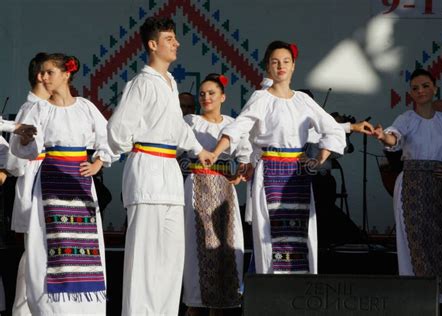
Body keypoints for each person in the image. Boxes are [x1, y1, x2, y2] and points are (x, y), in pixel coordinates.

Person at [210, 40, 346, 274]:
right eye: (275, 62)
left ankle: (297, 292)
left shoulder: (303, 101)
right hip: (271, 171)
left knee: (300, 235)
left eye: (286, 61)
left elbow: (332, 129)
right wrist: (215, 152)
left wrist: (319, 159)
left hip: (298, 174)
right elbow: (240, 126)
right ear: (268, 67)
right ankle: (270, 293)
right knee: (270, 236)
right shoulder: (262, 98)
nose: (281, 66)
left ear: (293, 66)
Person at [107, 17, 213, 315]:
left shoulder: (170, 83)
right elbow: (118, 130)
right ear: (153, 45)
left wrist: (198, 149)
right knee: (145, 260)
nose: (176, 43)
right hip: (147, 171)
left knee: (170, 258)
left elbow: (177, 126)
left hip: (169, 175)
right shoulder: (141, 83)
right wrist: (121, 150)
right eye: (169, 38)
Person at [10, 53, 117, 315]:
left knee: (84, 246)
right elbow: (23, 150)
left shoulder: (85, 107)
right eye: (42, 73)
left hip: (79, 181)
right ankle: (53, 308)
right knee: (49, 245)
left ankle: (84, 307)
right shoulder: (40, 109)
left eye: (49, 72)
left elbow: (111, 139)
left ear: (66, 74)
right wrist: (25, 138)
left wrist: (98, 163)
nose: (43, 77)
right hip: (51, 182)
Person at [371, 68, 442, 308]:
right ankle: (416, 296)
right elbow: (393, 138)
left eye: (425, 86)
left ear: (434, 88)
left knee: (441, 241)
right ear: (411, 93)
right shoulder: (407, 118)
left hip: (439, 187)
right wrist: (382, 137)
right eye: (416, 88)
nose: (421, 91)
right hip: (411, 186)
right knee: (412, 240)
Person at [182, 74, 251, 315]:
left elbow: (245, 153)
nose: (206, 97)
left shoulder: (232, 124)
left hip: (224, 190)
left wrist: (242, 170)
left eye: (211, 93)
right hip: (195, 186)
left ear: (222, 96)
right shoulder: (190, 121)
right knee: (195, 246)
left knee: (225, 246)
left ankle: (221, 304)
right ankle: (194, 304)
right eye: (202, 93)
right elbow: (177, 148)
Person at [9, 52, 51, 316]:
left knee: (39, 258)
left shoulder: (45, 107)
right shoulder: (31, 109)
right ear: (41, 76)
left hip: (46, 186)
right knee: (34, 259)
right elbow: (16, 162)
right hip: (36, 184)